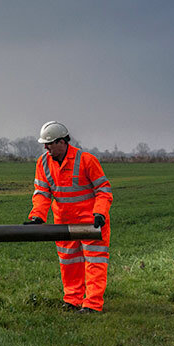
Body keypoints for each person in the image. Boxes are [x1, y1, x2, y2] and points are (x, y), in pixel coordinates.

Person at [24, 121, 113, 312]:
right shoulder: (43, 162)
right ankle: (72, 300)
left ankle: (92, 304)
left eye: (49, 143)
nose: (46, 148)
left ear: (62, 142)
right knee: (69, 263)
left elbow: (103, 190)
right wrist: (38, 216)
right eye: (44, 144)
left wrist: (100, 213)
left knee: (94, 263)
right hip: (63, 223)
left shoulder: (87, 160)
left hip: (92, 223)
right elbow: (42, 192)